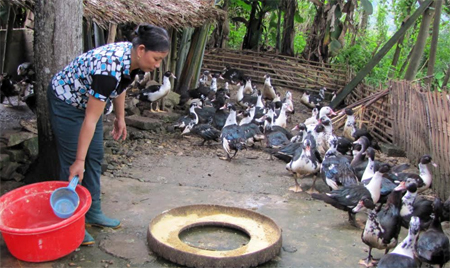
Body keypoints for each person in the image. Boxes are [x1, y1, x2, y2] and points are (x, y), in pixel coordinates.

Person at [47, 24, 171, 245]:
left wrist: (120, 117)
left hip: (87, 103)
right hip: (67, 102)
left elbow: (121, 87)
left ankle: (92, 211)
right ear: (142, 49)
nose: (157, 65)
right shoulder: (108, 70)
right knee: (73, 164)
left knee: (94, 156)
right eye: (157, 58)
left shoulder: (133, 59)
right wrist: (78, 160)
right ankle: (71, 224)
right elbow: (91, 119)